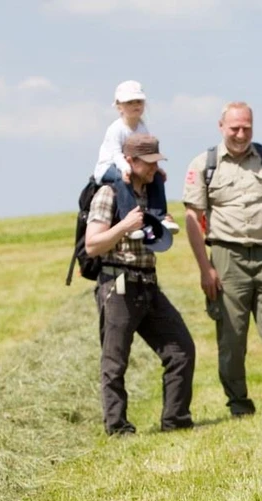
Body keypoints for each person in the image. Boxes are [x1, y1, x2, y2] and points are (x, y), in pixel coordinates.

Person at [182, 101, 262, 417]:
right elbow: (192, 218)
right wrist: (205, 267)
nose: (240, 133)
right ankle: (238, 404)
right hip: (226, 255)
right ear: (221, 127)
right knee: (231, 337)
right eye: (234, 127)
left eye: (246, 127)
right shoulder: (204, 164)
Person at [84, 133, 195, 436]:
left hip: (148, 283)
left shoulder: (152, 192)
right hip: (118, 284)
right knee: (115, 362)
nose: (154, 169)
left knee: (181, 350)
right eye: (148, 163)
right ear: (130, 161)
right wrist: (124, 226)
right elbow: (92, 245)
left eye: (156, 162)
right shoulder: (108, 193)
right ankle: (117, 427)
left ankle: (176, 421)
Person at [93, 80, 179, 239]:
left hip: (128, 163)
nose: (135, 105)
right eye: (129, 102)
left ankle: (159, 217)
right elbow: (115, 154)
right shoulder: (116, 129)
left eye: (138, 101)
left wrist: (156, 168)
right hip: (109, 166)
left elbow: (147, 151)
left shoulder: (141, 126)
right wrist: (126, 169)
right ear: (119, 106)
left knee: (156, 178)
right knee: (121, 179)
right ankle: (131, 222)